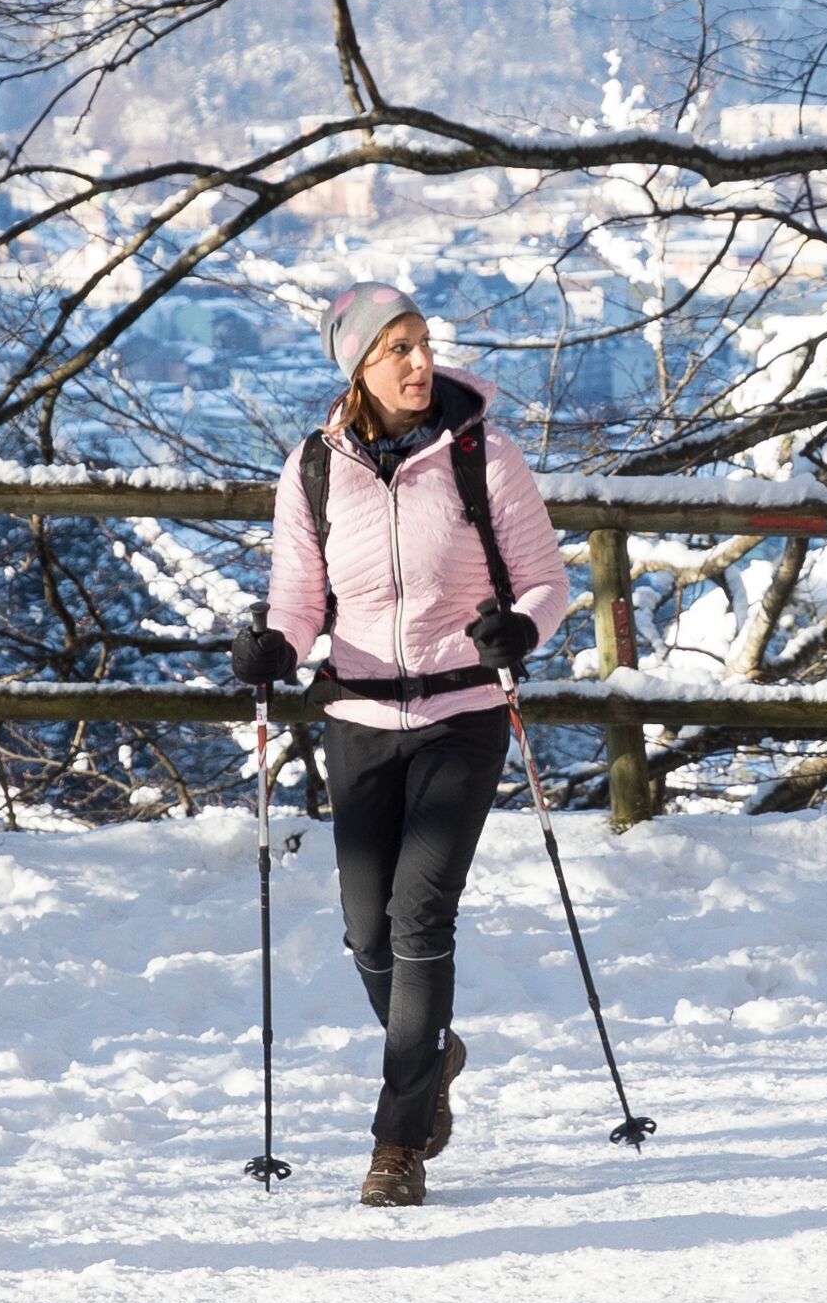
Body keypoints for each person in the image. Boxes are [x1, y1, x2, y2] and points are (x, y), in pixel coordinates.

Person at [239, 284, 575, 1207]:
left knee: (421, 917)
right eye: (397, 349)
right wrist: (277, 645)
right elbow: (300, 600)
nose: (420, 363)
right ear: (356, 366)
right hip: (356, 719)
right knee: (365, 929)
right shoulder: (313, 468)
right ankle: (430, 1051)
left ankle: (397, 1143)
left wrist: (522, 630)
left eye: (423, 343)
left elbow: (548, 581)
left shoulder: (483, 454)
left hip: (462, 714)